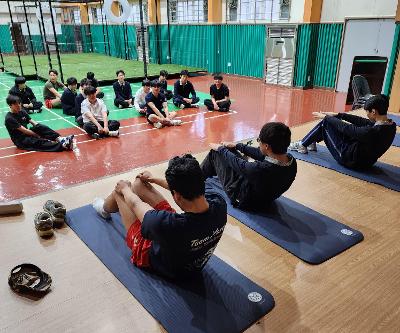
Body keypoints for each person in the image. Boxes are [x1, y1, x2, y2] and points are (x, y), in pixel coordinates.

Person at [92, 154, 227, 279]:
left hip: (154, 257)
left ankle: (104, 209)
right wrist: (153, 180)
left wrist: (125, 188)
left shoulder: (162, 224)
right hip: (183, 244)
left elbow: (135, 204)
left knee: (120, 193)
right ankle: (125, 194)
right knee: (139, 184)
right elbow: (187, 188)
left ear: (177, 195)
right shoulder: (219, 202)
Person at [201, 122, 297, 211]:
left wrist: (220, 148)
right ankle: (212, 169)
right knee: (230, 151)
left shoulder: (261, 169)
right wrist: (237, 146)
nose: (259, 144)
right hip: (264, 198)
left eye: (259, 141)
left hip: (243, 199)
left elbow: (238, 164)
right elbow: (261, 154)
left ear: (267, 146)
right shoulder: (291, 161)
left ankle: (194, 179)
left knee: (216, 153)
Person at [288, 94, 396, 169]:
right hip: (365, 161)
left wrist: (326, 117)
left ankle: (302, 145)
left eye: (367, 112)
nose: (366, 115)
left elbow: (347, 128)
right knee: (332, 122)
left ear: (373, 111)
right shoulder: (390, 125)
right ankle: (310, 142)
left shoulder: (372, 132)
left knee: (326, 123)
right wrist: (339, 115)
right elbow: (362, 121)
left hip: (349, 159)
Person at [4, 95, 74, 152]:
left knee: (40, 127)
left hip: (27, 134)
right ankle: (63, 146)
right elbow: (24, 130)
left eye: (19, 103)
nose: (18, 105)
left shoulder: (22, 111)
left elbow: (33, 122)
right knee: (39, 142)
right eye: (15, 104)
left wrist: (40, 128)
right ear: (10, 105)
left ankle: (60, 139)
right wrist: (37, 135)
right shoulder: (9, 118)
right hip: (21, 140)